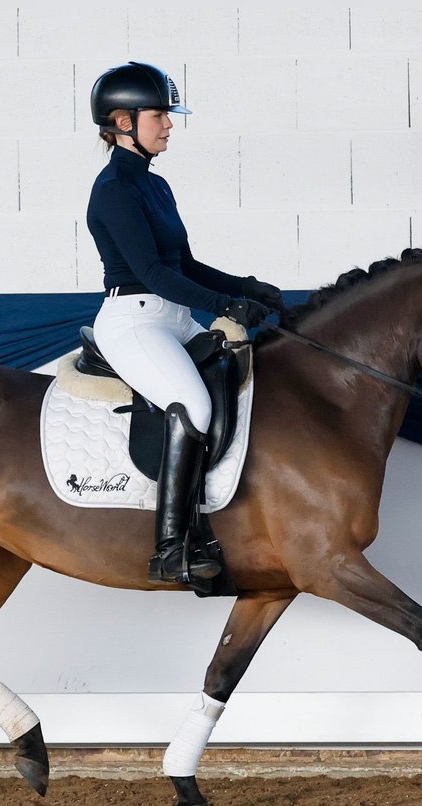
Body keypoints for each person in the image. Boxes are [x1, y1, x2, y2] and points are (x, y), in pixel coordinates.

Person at [86, 61, 284, 584]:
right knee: (193, 403)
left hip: (173, 316)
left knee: (248, 382)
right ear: (124, 122)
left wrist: (246, 287)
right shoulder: (112, 190)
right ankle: (171, 546)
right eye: (160, 116)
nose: (169, 125)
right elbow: (151, 272)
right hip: (135, 322)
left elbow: (185, 266)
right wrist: (224, 306)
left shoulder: (157, 186)